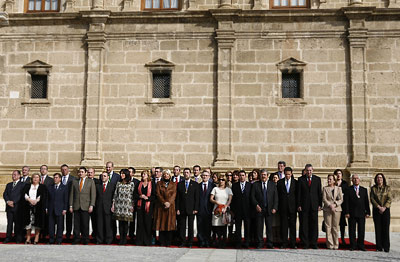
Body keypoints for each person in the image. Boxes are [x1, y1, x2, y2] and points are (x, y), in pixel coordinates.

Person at [251, 169, 278, 249]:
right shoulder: (256, 185)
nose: (263, 176)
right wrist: (256, 205)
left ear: (268, 176)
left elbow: (275, 197)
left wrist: (275, 207)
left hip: (269, 209)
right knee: (259, 227)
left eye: (265, 175)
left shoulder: (272, 185)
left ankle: (270, 243)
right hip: (259, 209)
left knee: (269, 227)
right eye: (262, 175)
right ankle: (260, 243)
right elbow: (252, 196)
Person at [297, 164, 322, 249]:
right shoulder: (301, 179)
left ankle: (314, 243)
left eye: (310, 170)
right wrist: (299, 204)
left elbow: (319, 193)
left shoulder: (317, 179)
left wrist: (320, 205)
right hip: (304, 206)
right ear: (305, 171)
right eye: (307, 170)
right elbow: (299, 193)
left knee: (314, 225)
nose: (309, 172)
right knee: (304, 225)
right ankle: (305, 243)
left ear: (313, 170)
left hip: (314, 205)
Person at [69, 167, 96, 245]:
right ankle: (76, 239)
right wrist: (71, 205)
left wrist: (91, 205)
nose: (80, 173)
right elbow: (72, 194)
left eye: (82, 172)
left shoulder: (90, 182)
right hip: (76, 205)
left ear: (85, 173)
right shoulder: (74, 182)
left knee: (85, 224)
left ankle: (85, 239)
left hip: (86, 205)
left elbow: (93, 194)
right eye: (79, 172)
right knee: (76, 224)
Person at [344, 174, 370, 251]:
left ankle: (361, 245)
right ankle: (353, 245)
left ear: (359, 180)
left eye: (357, 178)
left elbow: (366, 202)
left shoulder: (363, 190)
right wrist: (347, 212)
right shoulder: (348, 189)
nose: (355, 180)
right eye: (354, 178)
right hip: (352, 213)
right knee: (352, 230)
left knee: (361, 230)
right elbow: (346, 202)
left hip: (361, 213)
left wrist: (368, 211)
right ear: (352, 180)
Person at [20, 173, 47, 244]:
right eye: (34, 177)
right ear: (32, 179)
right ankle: (28, 238)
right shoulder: (27, 186)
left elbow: (42, 195)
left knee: (37, 222)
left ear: (39, 179)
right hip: (28, 206)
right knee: (28, 223)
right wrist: (30, 200)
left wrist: (36, 201)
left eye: (37, 177)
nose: (35, 179)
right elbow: (24, 194)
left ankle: (36, 238)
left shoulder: (42, 187)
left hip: (38, 207)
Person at [176, 168, 199, 247]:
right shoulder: (180, 184)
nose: (186, 174)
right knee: (182, 226)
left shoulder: (195, 184)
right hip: (182, 208)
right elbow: (178, 198)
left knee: (190, 226)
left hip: (191, 208)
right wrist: (177, 208)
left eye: (188, 172)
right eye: (185, 172)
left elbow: (197, 198)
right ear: (183, 174)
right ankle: (182, 241)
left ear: (190, 174)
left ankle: (190, 242)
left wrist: (196, 208)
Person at [112, 169, 134, 245]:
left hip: (127, 206)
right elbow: (115, 194)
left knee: (125, 223)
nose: (121, 175)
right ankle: (121, 238)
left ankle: (125, 238)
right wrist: (113, 204)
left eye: (123, 174)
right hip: (119, 205)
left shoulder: (131, 184)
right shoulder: (118, 183)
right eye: (121, 174)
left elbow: (132, 195)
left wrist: (132, 205)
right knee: (120, 223)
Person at [154, 169, 176, 246]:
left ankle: (168, 241)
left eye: (167, 174)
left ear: (170, 175)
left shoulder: (173, 184)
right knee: (162, 224)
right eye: (164, 174)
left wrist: (169, 202)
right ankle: (162, 241)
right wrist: (164, 202)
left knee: (169, 224)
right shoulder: (159, 183)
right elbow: (158, 194)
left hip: (170, 207)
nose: (166, 175)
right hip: (161, 206)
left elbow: (174, 194)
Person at [210, 173, 233, 248]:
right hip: (217, 209)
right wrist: (216, 202)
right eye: (220, 179)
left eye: (223, 180)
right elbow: (211, 198)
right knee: (217, 227)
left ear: (225, 181)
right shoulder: (215, 189)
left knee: (224, 226)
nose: (221, 181)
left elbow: (230, 199)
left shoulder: (228, 190)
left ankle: (224, 242)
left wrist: (226, 206)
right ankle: (218, 241)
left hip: (225, 210)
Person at [370, 173, 391, 252]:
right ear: (376, 179)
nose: (379, 179)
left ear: (383, 179)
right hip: (377, 210)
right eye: (378, 178)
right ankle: (379, 246)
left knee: (385, 228)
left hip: (386, 210)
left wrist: (384, 207)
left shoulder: (387, 188)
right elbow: (372, 199)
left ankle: (386, 246)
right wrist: (379, 207)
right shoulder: (373, 188)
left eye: (381, 178)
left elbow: (389, 198)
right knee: (378, 228)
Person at [277, 167, 297, 249]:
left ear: (291, 174)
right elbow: (278, 195)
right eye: (286, 174)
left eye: (289, 174)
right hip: (283, 207)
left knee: (292, 226)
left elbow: (297, 195)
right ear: (284, 174)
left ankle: (293, 243)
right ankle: (284, 243)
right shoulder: (280, 182)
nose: (287, 176)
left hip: (293, 207)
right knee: (283, 226)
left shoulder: (296, 182)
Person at [231, 170, 252, 248]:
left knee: (247, 227)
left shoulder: (250, 185)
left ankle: (247, 242)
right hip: (238, 210)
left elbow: (251, 198)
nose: (241, 177)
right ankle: (238, 243)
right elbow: (233, 199)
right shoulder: (234, 185)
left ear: (245, 176)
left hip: (247, 210)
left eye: (243, 175)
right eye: (240, 175)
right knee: (238, 227)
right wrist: (233, 210)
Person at [134, 170, 156, 246]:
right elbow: (135, 194)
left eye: (145, 174)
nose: (143, 175)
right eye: (142, 174)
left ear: (148, 175)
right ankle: (139, 241)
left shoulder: (152, 184)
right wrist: (140, 196)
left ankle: (147, 241)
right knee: (140, 224)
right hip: (140, 206)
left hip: (148, 206)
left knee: (148, 224)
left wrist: (148, 198)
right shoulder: (138, 184)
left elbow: (154, 196)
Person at [46, 173, 68, 244]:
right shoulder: (50, 187)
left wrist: (65, 209)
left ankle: (59, 239)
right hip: (51, 209)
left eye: (56, 177)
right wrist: (46, 208)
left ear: (60, 179)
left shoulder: (64, 187)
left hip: (60, 209)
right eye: (54, 177)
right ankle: (51, 239)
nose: (55, 179)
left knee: (60, 226)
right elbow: (47, 198)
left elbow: (66, 199)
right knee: (51, 225)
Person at [322, 174, 343, 250]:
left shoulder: (339, 189)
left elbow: (341, 199)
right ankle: (330, 244)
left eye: (330, 179)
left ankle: (336, 243)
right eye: (328, 179)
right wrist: (330, 205)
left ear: (334, 180)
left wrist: (335, 204)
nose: (329, 180)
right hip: (327, 209)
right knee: (328, 227)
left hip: (337, 209)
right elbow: (324, 199)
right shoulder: (325, 188)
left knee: (335, 227)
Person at [3, 170, 24, 243]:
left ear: (19, 176)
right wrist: (8, 201)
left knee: (17, 223)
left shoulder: (22, 184)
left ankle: (17, 238)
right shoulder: (9, 184)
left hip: (17, 207)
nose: (13, 176)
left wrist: (14, 202)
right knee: (9, 223)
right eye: (12, 175)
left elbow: (21, 195)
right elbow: (5, 194)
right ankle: (8, 237)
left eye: (15, 175)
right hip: (9, 207)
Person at [95, 172, 115, 245]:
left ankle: (108, 239)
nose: (103, 177)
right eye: (102, 176)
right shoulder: (98, 186)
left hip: (108, 208)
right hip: (99, 207)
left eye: (105, 176)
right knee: (99, 224)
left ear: (108, 177)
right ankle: (99, 239)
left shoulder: (112, 186)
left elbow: (114, 197)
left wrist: (113, 206)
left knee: (108, 225)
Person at [197, 170, 215, 247]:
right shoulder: (198, 186)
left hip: (209, 210)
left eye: (206, 175)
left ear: (209, 176)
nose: (204, 177)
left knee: (208, 227)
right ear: (201, 176)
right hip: (200, 209)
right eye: (203, 175)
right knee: (200, 226)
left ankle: (207, 241)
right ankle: (201, 241)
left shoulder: (213, 186)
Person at [334, 169, 348, 247]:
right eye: (337, 174)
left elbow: (346, 195)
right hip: (335, 205)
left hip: (342, 205)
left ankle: (342, 238)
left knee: (342, 223)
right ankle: (334, 238)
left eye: (340, 173)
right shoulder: (334, 183)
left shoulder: (345, 184)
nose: (339, 175)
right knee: (334, 223)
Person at [61, 164, 75, 240]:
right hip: (61, 202)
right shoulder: (59, 178)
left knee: (69, 219)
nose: (64, 171)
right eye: (62, 169)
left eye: (65, 169)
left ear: (68, 170)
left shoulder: (73, 179)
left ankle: (68, 235)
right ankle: (61, 233)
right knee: (60, 220)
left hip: (69, 202)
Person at [128, 166, 140, 243]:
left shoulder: (136, 182)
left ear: (133, 174)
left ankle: (132, 235)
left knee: (133, 220)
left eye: (130, 172)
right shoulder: (123, 181)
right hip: (125, 204)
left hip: (134, 204)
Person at [271, 173, 281, 246]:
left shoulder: (280, 186)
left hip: (280, 209)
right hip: (272, 208)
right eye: (274, 178)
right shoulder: (270, 186)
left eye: (276, 178)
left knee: (279, 224)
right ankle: (273, 240)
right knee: (273, 224)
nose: (275, 179)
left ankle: (279, 240)